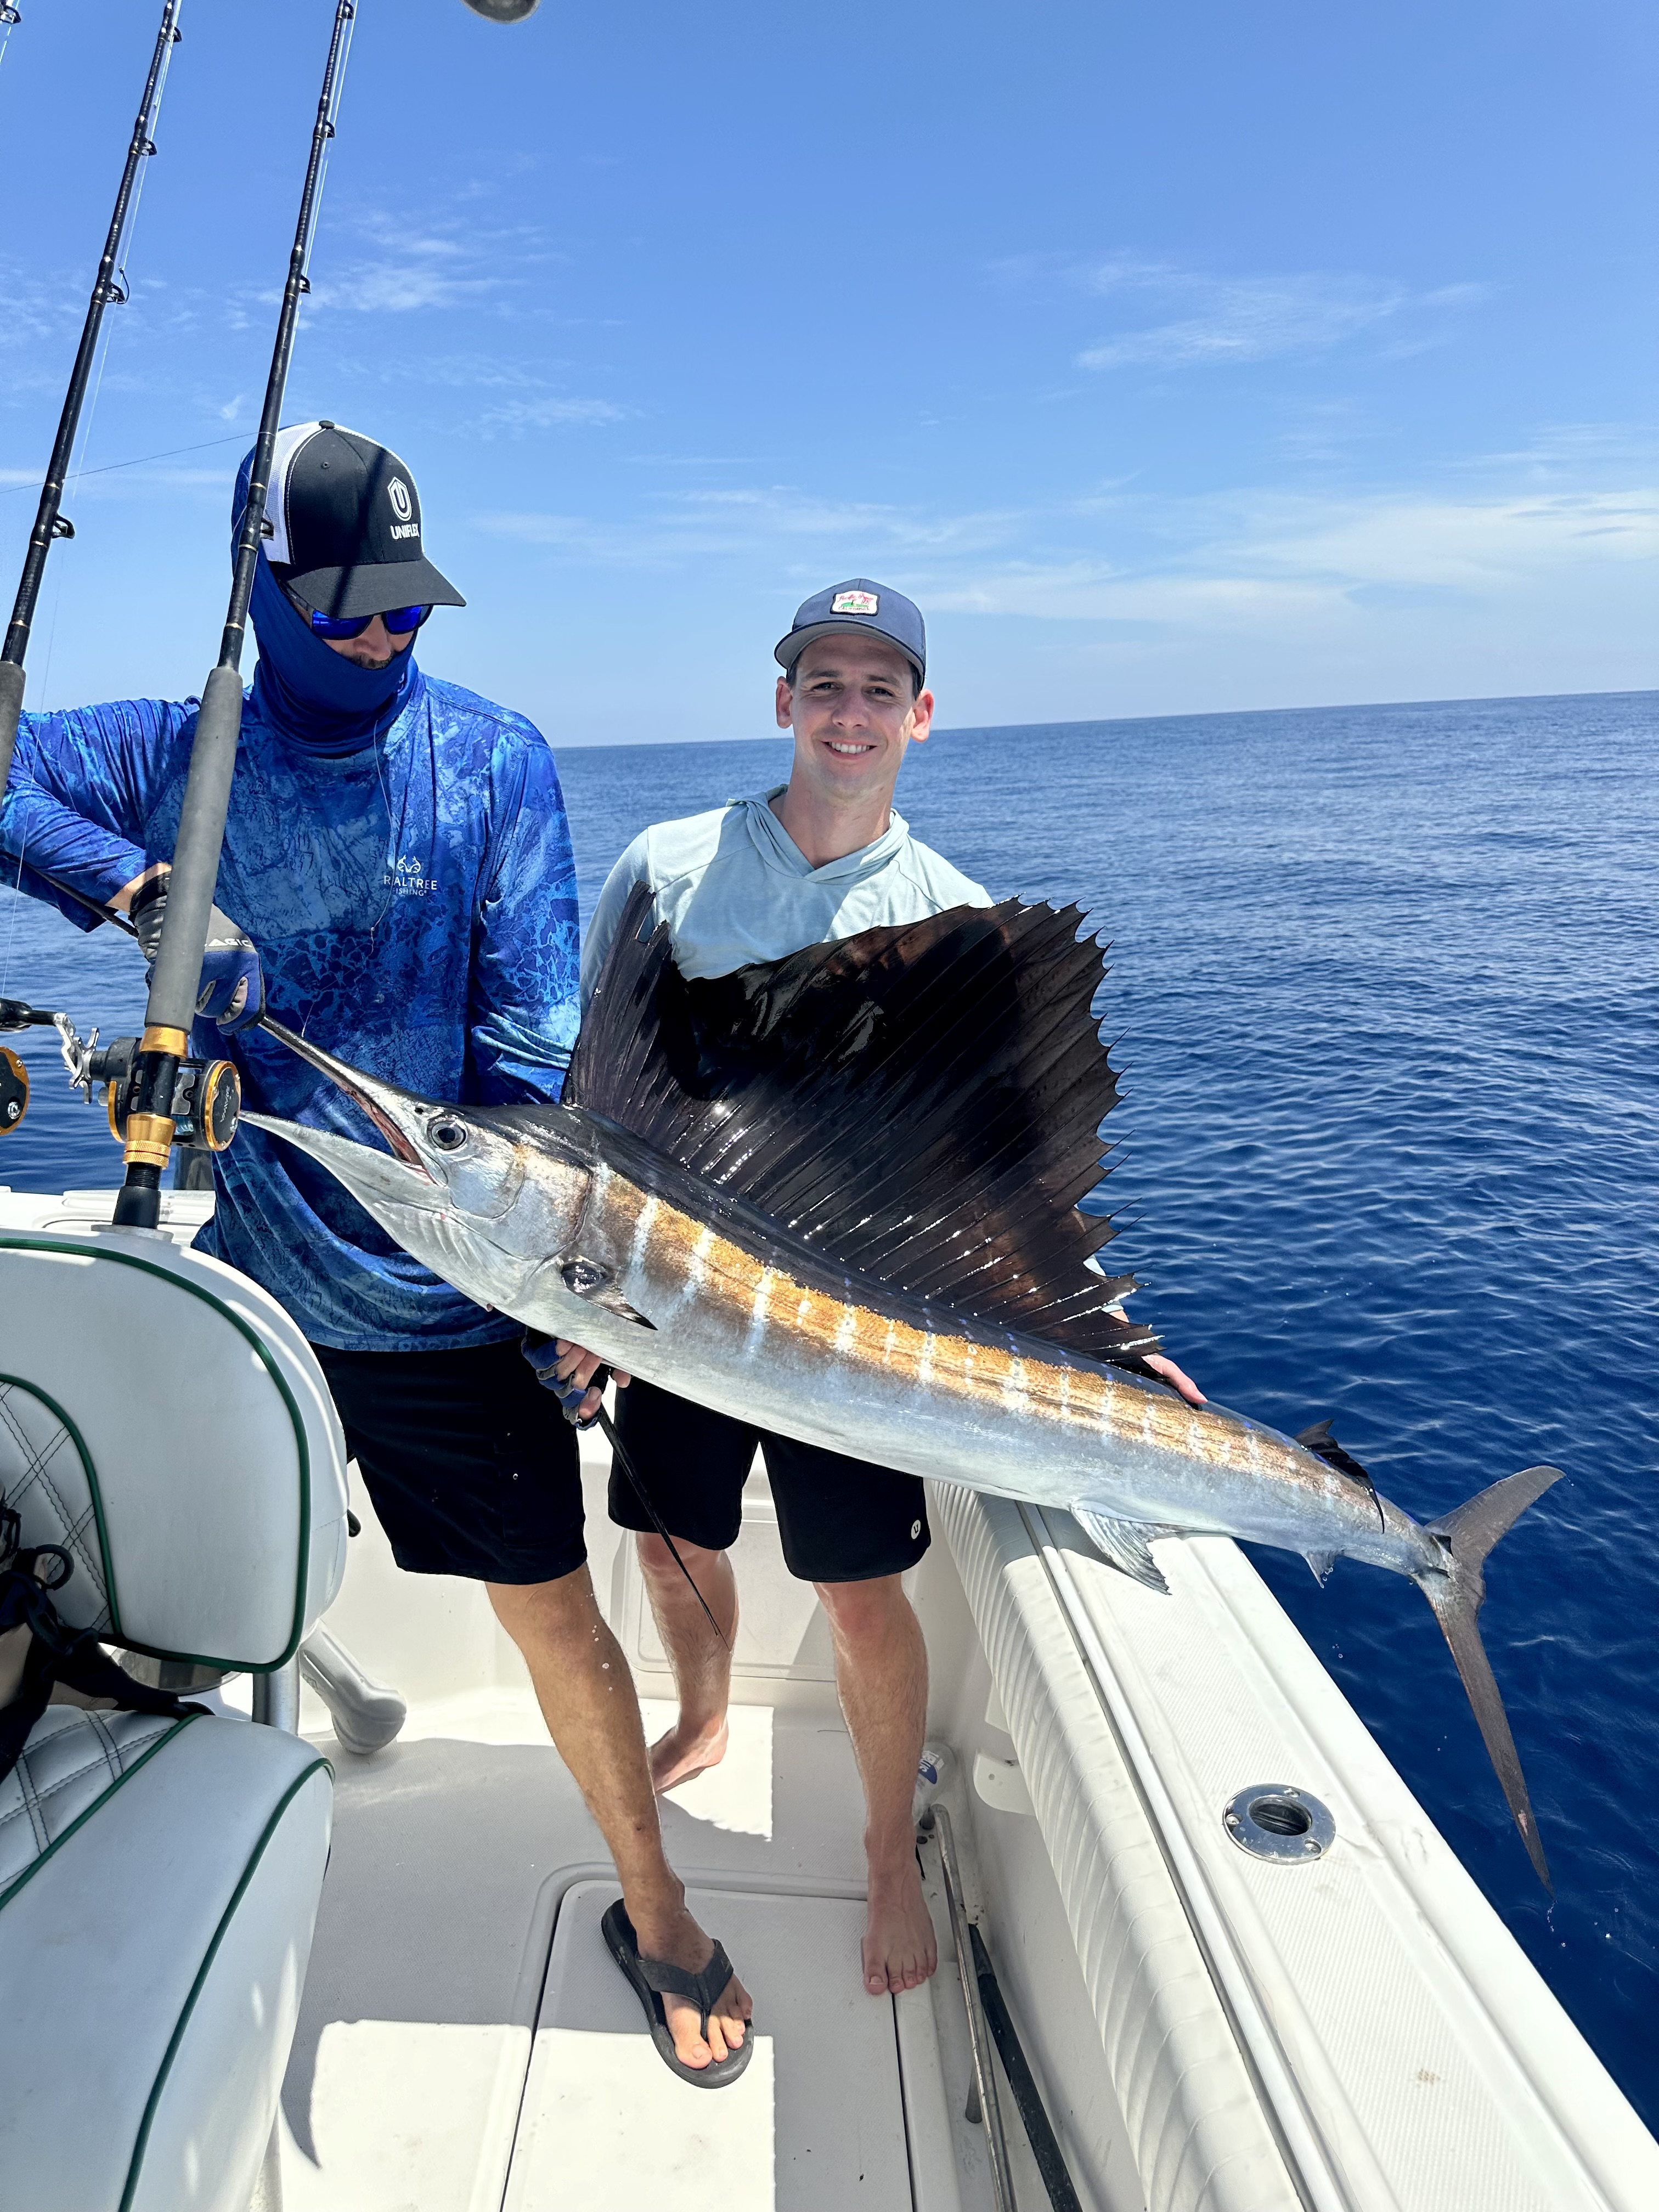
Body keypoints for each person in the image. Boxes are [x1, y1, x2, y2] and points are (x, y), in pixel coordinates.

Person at [0, 420, 749, 2080]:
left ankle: (656, 1907)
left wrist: (554, 1293)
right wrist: (137, 888)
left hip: (452, 1303)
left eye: (407, 605)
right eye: (346, 605)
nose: (382, 634)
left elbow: (526, 1056)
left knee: (553, 1618)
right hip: (251, 1283)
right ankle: (157, 1869)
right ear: (259, 587)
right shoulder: (176, 751)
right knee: (167, 1594)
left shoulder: (492, 762)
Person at [567, 578, 1204, 1999]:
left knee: (860, 1598)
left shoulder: (953, 918)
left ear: (919, 717)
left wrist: (1104, 1339)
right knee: (672, 1545)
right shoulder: (667, 867)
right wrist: (587, 1299)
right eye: (824, 685)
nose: (846, 715)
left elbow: (1006, 1177)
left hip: (859, 1334)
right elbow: (596, 1100)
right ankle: (707, 1714)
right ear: (782, 701)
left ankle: (884, 1850)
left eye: (877, 691)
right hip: (679, 1305)